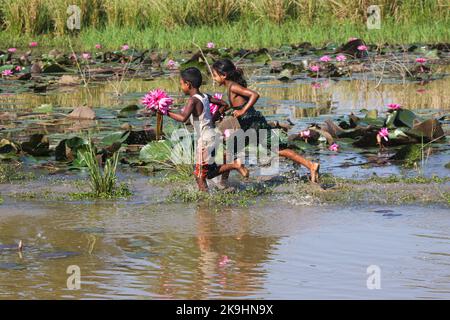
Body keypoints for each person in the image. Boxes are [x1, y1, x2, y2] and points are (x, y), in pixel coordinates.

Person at [211, 59, 320, 183]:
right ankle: (223, 184)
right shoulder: (231, 86)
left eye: (214, 75)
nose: (213, 78)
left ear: (224, 75)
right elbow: (239, 104)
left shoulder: (233, 86)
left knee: (278, 149)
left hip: (254, 124)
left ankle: (311, 165)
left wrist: (242, 111)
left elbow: (254, 95)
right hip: (247, 124)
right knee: (230, 151)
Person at [164, 67, 249, 191]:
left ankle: (204, 202)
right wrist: (213, 118)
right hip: (213, 136)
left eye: (181, 84)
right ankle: (230, 166)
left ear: (188, 84)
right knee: (208, 173)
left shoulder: (192, 100)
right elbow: (224, 104)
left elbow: (183, 118)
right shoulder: (204, 96)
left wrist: (166, 112)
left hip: (205, 140)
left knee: (200, 176)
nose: (181, 87)